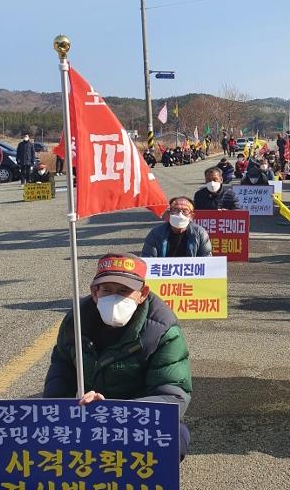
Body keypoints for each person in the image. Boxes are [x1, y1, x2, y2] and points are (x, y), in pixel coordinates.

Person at [43, 254, 191, 458]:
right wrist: (70, 404)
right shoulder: (76, 321)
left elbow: (173, 394)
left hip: (135, 419)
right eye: (107, 290)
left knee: (175, 440)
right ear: (95, 292)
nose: (115, 298)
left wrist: (113, 412)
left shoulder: (163, 330)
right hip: (84, 411)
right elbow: (60, 371)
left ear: (142, 294)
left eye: (124, 291)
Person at [142, 196, 213, 258]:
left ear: (191, 216)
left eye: (185, 211)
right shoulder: (156, 234)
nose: (180, 214)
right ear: (169, 214)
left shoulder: (200, 233)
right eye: (176, 210)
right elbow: (148, 259)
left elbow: (206, 260)